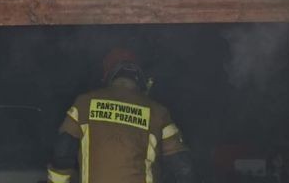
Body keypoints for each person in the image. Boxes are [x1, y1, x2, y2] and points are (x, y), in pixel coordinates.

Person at [47, 48, 195, 183]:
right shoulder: (158, 112)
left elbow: (63, 152)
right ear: (139, 76)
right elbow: (182, 166)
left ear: (108, 74)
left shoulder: (84, 103)